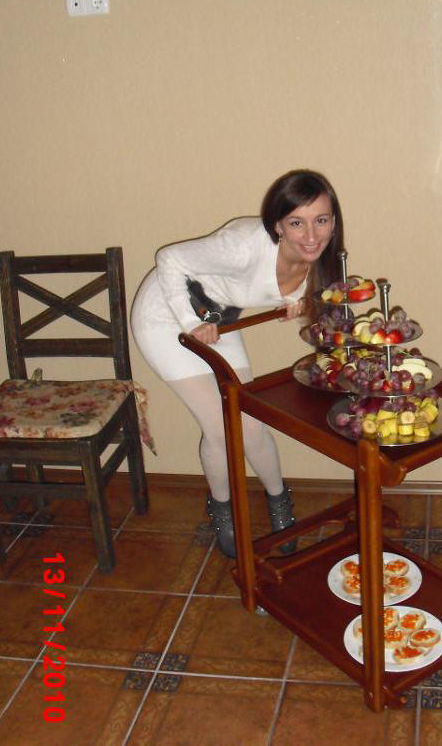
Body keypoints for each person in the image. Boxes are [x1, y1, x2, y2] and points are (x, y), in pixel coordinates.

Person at [131, 169, 345, 557]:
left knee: (251, 422)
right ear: (278, 225)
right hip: (165, 316)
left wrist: (294, 305)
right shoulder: (243, 244)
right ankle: (222, 509)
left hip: (220, 320)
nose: (311, 235)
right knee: (219, 428)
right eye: (297, 222)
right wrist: (190, 323)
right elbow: (168, 259)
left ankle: (279, 501)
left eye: (321, 220)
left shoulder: (324, 261)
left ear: (333, 221)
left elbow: (280, 295)